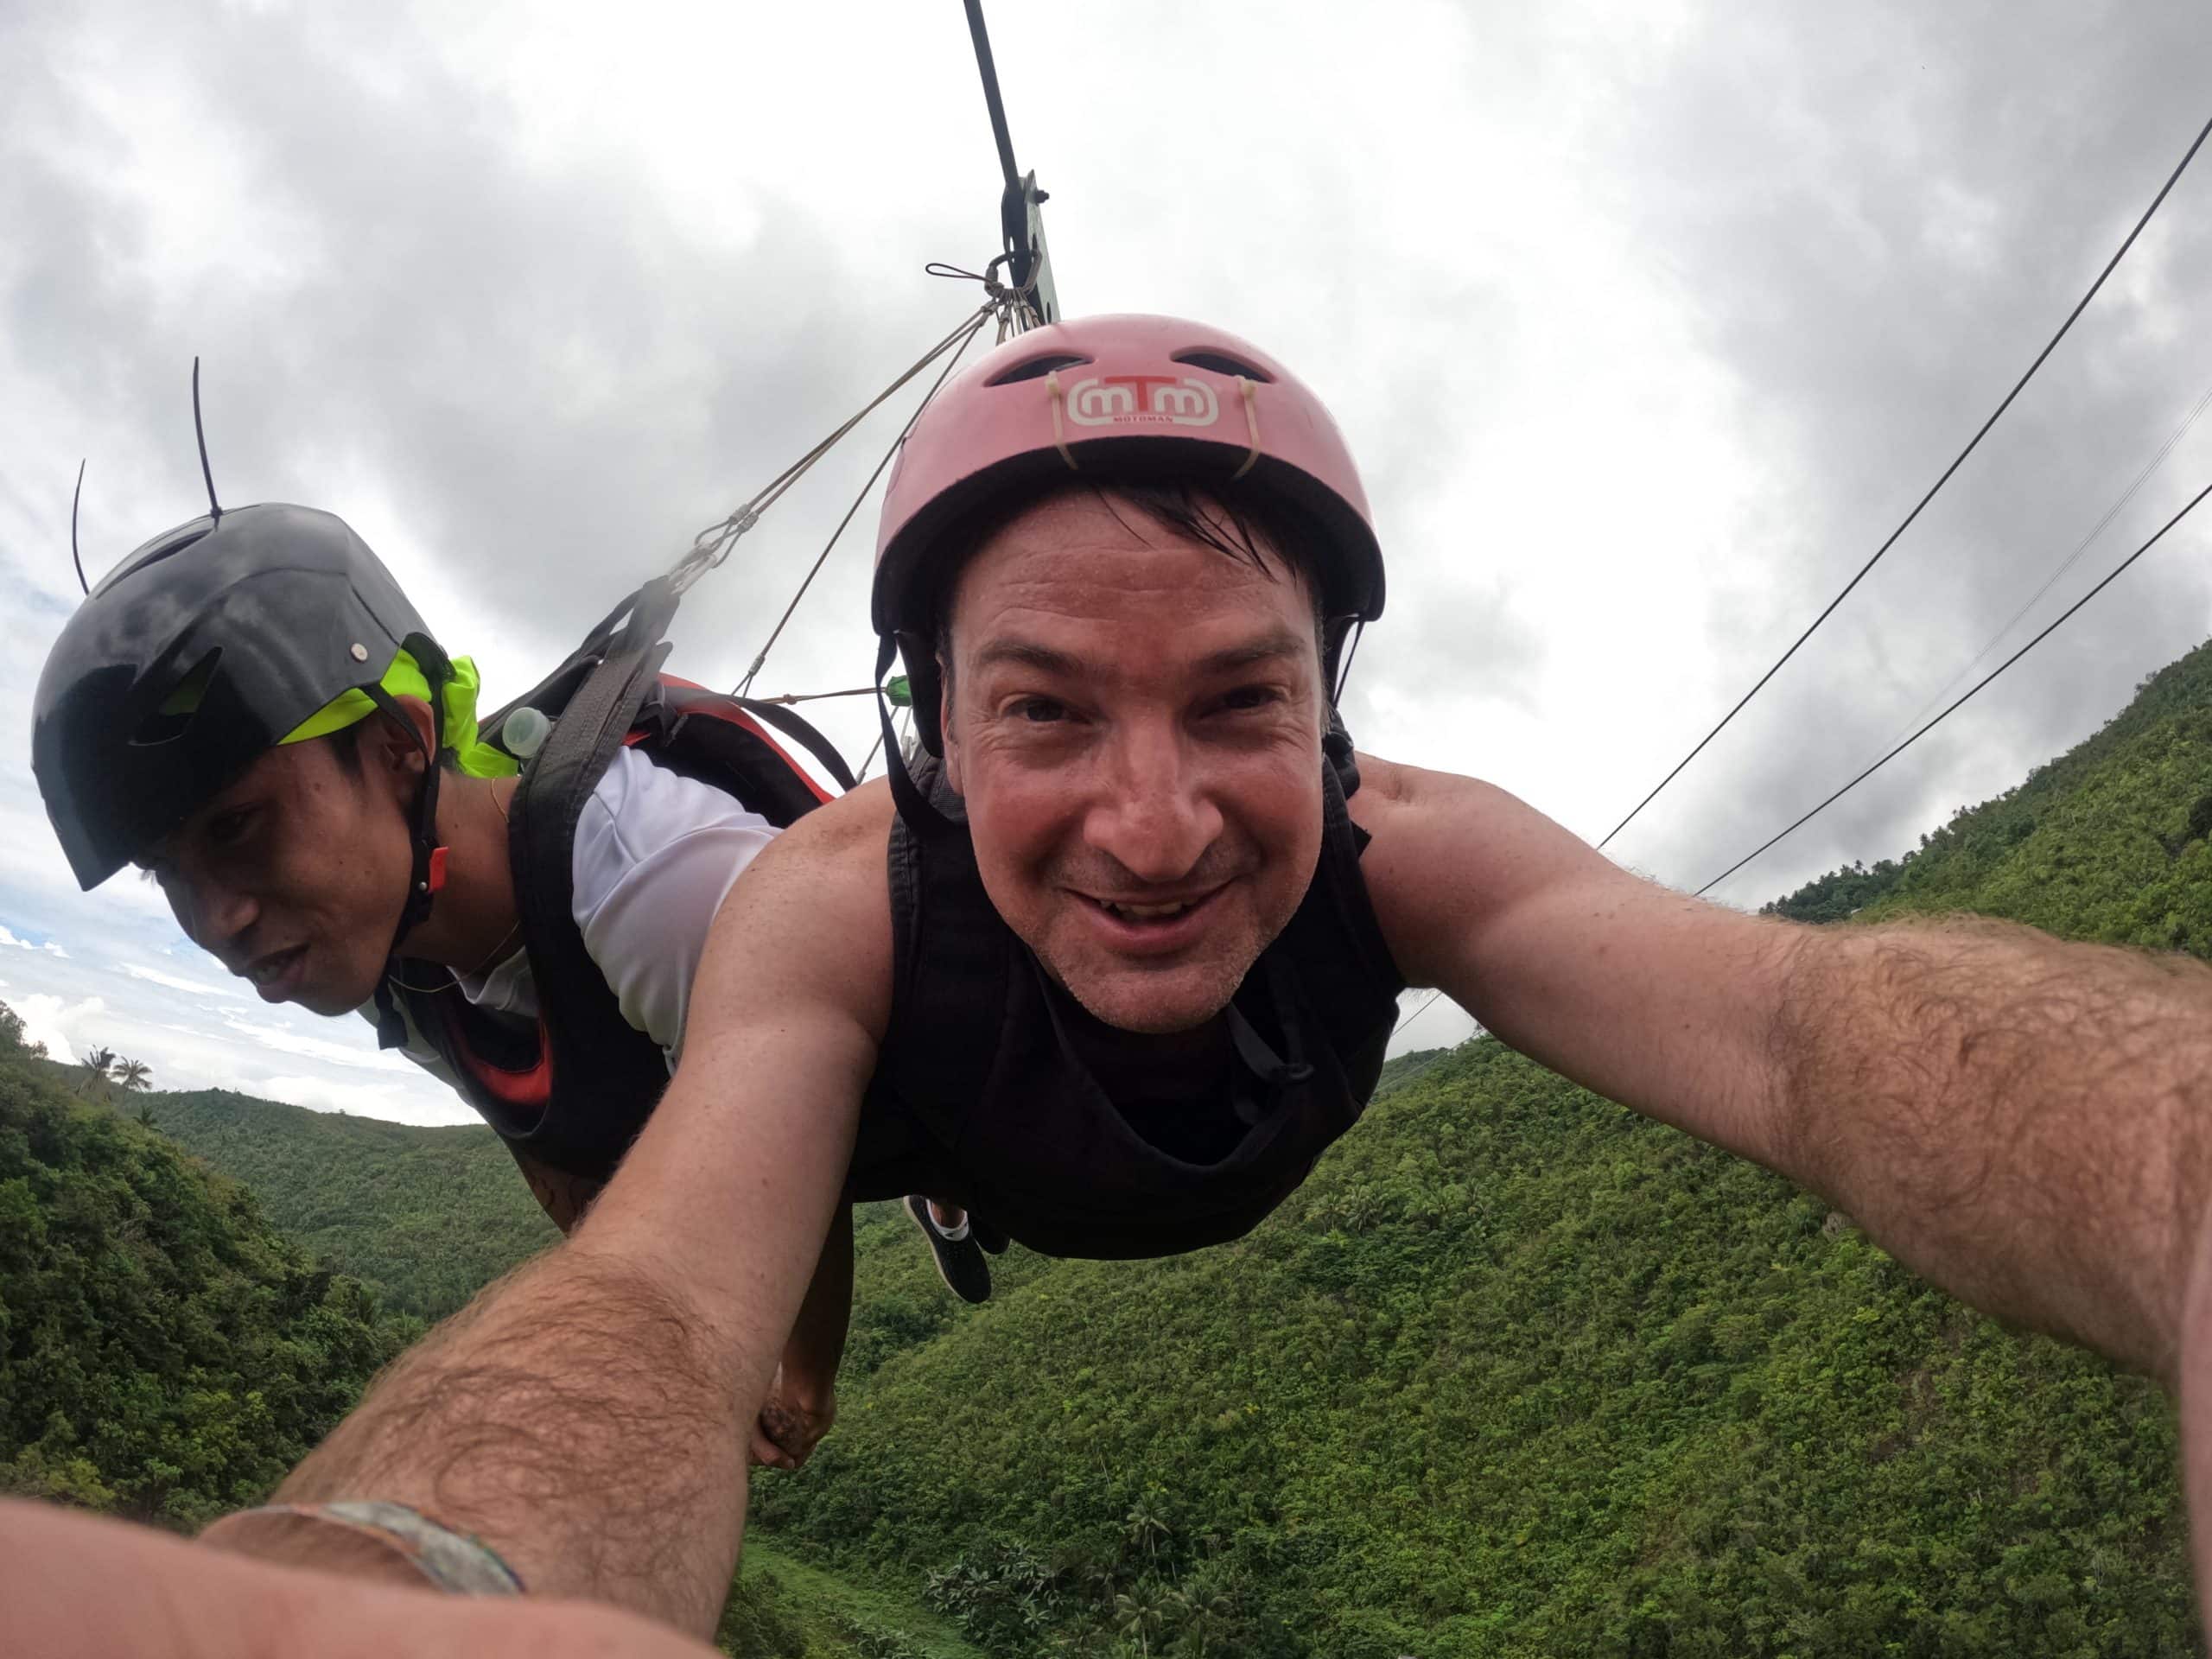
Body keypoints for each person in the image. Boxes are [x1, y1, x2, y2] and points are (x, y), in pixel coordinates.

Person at [22, 313, 2212, 1647]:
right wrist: (401, 1579)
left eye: (1240, 706)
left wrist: (2177, 1176)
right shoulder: (829, 907)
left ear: (1335, 718)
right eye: (1048, 714)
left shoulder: (1398, 852)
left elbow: (1795, 1027)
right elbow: (665, 1285)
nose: (1155, 824)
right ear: (931, 734)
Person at [26, 499, 985, 1465]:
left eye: (237, 826)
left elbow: (796, 1180)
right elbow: (532, 1123)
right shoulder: (377, 945)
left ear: (400, 744)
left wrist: (803, 1387)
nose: (215, 920)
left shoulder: (655, 883)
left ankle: (944, 1192)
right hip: (696, 1054)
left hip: (863, 1050)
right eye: (168, 870)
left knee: (938, 1122)